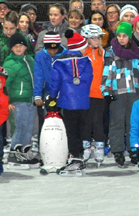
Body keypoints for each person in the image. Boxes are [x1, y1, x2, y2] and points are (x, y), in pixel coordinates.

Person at [48, 30, 93, 176]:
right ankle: (79, 156)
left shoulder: (58, 64)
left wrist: (52, 97)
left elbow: (54, 83)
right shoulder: (87, 62)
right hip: (84, 103)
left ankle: (75, 159)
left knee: (71, 131)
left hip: (67, 103)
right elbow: (89, 80)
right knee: (81, 129)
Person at [102, 22, 139, 166]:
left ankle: (133, 149)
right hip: (117, 92)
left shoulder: (136, 52)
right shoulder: (110, 52)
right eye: (119, 35)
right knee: (117, 122)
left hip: (133, 92)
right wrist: (106, 90)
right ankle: (118, 150)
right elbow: (106, 72)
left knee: (132, 123)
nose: (121, 38)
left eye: (124, 36)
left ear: (130, 36)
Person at [2, 32, 38, 168]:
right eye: (15, 46)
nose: (18, 48)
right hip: (17, 101)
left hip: (31, 100)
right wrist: (7, 101)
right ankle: (14, 152)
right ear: (11, 48)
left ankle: (25, 150)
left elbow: (36, 78)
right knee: (19, 126)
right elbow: (5, 84)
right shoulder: (9, 63)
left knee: (29, 127)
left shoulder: (30, 60)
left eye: (21, 46)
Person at [77, 24, 107, 166]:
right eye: (93, 38)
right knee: (86, 121)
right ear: (87, 39)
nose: (97, 41)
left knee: (98, 121)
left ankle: (100, 146)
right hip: (85, 94)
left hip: (99, 94)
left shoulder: (104, 54)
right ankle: (86, 146)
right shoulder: (83, 54)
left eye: (98, 38)